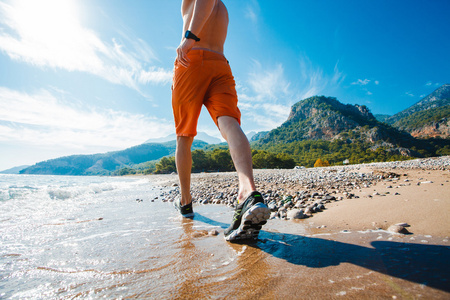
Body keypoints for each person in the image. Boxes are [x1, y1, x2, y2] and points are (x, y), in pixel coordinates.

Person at [172, 0, 270, 241]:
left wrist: (189, 38)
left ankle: (185, 203)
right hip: (220, 65)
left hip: (191, 61)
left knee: (184, 136)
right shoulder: (224, 8)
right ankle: (248, 191)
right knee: (229, 123)